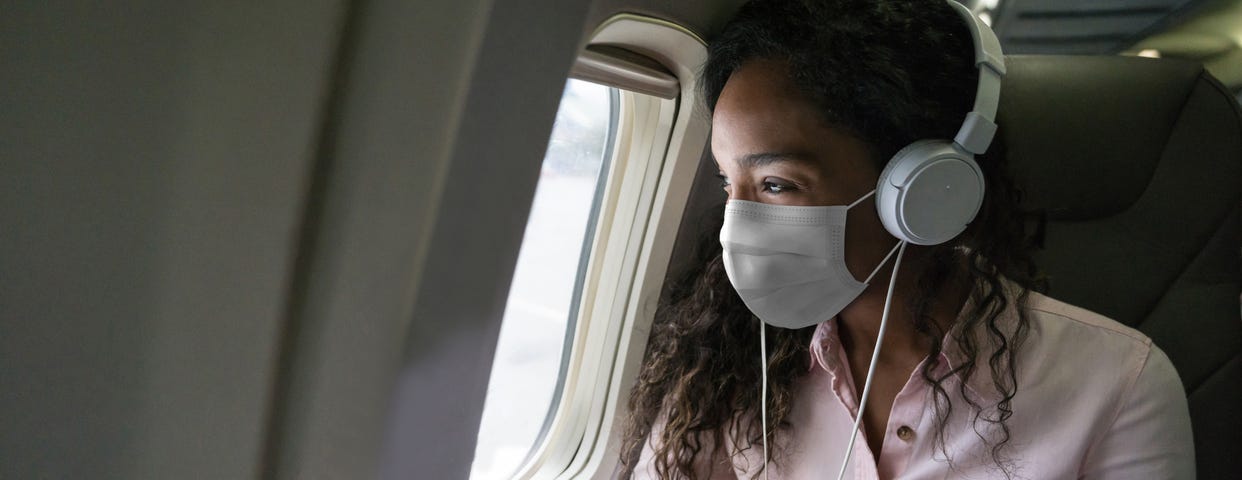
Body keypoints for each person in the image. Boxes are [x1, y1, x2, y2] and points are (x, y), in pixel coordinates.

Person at [617, 0, 1195, 479]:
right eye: (728, 182)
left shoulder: (1118, 384)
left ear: (920, 190)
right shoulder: (725, 365)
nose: (735, 226)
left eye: (775, 184)